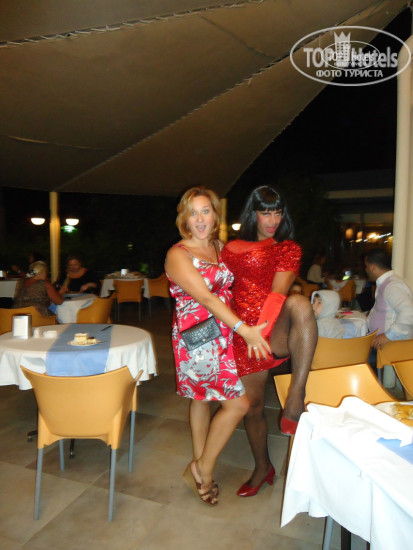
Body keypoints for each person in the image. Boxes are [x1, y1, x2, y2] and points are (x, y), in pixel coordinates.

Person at [165, 187, 270, 507]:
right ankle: (204, 469)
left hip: (223, 332)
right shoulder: (178, 254)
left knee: (201, 398)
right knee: (237, 404)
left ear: (215, 216)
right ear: (185, 218)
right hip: (197, 337)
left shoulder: (220, 247)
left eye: (205, 211)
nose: (199, 218)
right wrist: (245, 331)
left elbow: (242, 284)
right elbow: (206, 298)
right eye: (193, 212)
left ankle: (199, 467)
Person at [221, 185, 318, 497]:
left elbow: (278, 293)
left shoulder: (287, 248)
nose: (273, 220)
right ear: (253, 213)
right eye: (266, 213)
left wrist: (259, 335)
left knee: (299, 303)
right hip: (240, 332)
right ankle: (263, 468)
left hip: (272, 330)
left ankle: (296, 395)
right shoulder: (230, 248)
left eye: (278, 212)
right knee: (253, 408)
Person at [365, 248, 413, 350]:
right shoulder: (386, 284)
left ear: (373, 267)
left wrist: (388, 336)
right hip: (384, 346)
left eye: (366, 266)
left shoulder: (392, 286)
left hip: (392, 348)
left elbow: (409, 313)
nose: (366, 270)